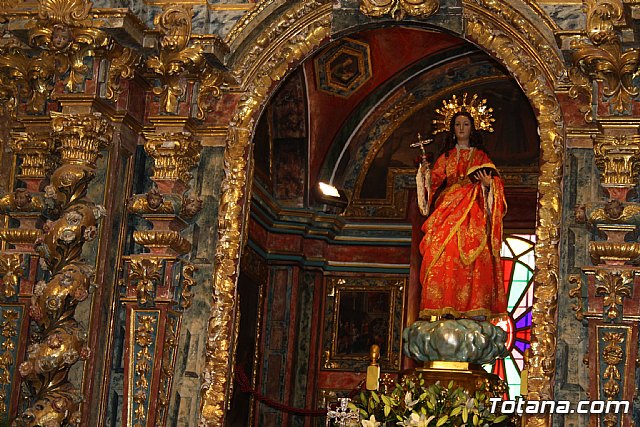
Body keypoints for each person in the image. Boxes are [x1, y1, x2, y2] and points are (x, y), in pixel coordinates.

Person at [416, 111, 507, 320]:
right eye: (458, 124)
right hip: (447, 209)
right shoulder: (446, 157)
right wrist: (424, 174)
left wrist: (487, 185)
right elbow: (433, 184)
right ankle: (446, 303)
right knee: (442, 251)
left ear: (472, 128)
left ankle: (473, 307)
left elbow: (494, 181)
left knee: (478, 252)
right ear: (453, 129)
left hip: (474, 208)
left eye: (466, 124)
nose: (462, 128)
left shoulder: (481, 156)